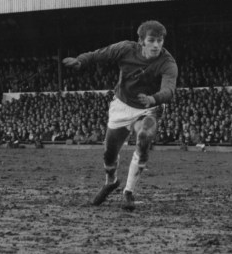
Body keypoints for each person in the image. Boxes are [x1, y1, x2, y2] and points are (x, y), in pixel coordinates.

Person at [63, 20, 177, 211]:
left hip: (148, 108)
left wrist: (153, 98)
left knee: (144, 137)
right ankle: (111, 181)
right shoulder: (125, 49)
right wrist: (81, 60)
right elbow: (99, 54)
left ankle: (128, 192)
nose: (156, 45)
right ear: (141, 41)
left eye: (160, 40)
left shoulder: (167, 62)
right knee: (109, 153)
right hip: (122, 105)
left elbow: (170, 90)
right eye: (152, 40)